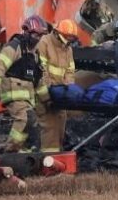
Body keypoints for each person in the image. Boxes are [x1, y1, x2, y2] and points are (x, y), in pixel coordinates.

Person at [0, 15, 48, 152]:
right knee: (24, 118)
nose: (37, 38)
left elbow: (39, 80)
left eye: (40, 36)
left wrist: (47, 100)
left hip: (27, 98)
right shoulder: (14, 47)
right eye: (35, 35)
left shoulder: (35, 55)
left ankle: (21, 151)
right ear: (26, 31)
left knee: (31, 123)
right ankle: (9, 152)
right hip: (12, 93)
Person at [36, 19, 78, 153]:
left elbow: (70, 71)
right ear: (59, 34)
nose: (70, 40)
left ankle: (58, 158)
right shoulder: (44, 43)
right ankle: (49, 161)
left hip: (61, 95)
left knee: (60, 127)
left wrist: (68, 91)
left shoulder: (68, 49)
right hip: (46, 94)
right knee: (50, 128)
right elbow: (41, 72)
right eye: (68, 37)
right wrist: (48, 96)